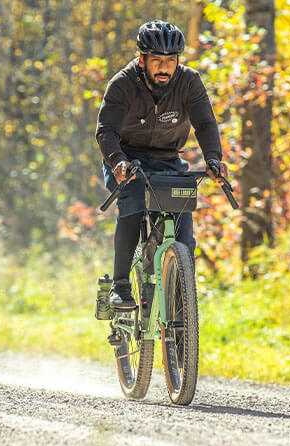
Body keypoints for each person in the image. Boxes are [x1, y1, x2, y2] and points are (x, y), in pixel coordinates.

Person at [96, 20, 228, 312]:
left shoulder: (189, 82)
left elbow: (205, 123)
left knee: (182, 219)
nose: (164, 68)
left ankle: (182, 302)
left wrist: (214, 159)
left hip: (168, 160)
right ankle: (120, 287)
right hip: (126, 160)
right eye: (156, 60)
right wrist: (118, 163)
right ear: (142, 59)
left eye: (170, 60)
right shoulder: (122, 84)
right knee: (132, 204)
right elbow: (105, 131)